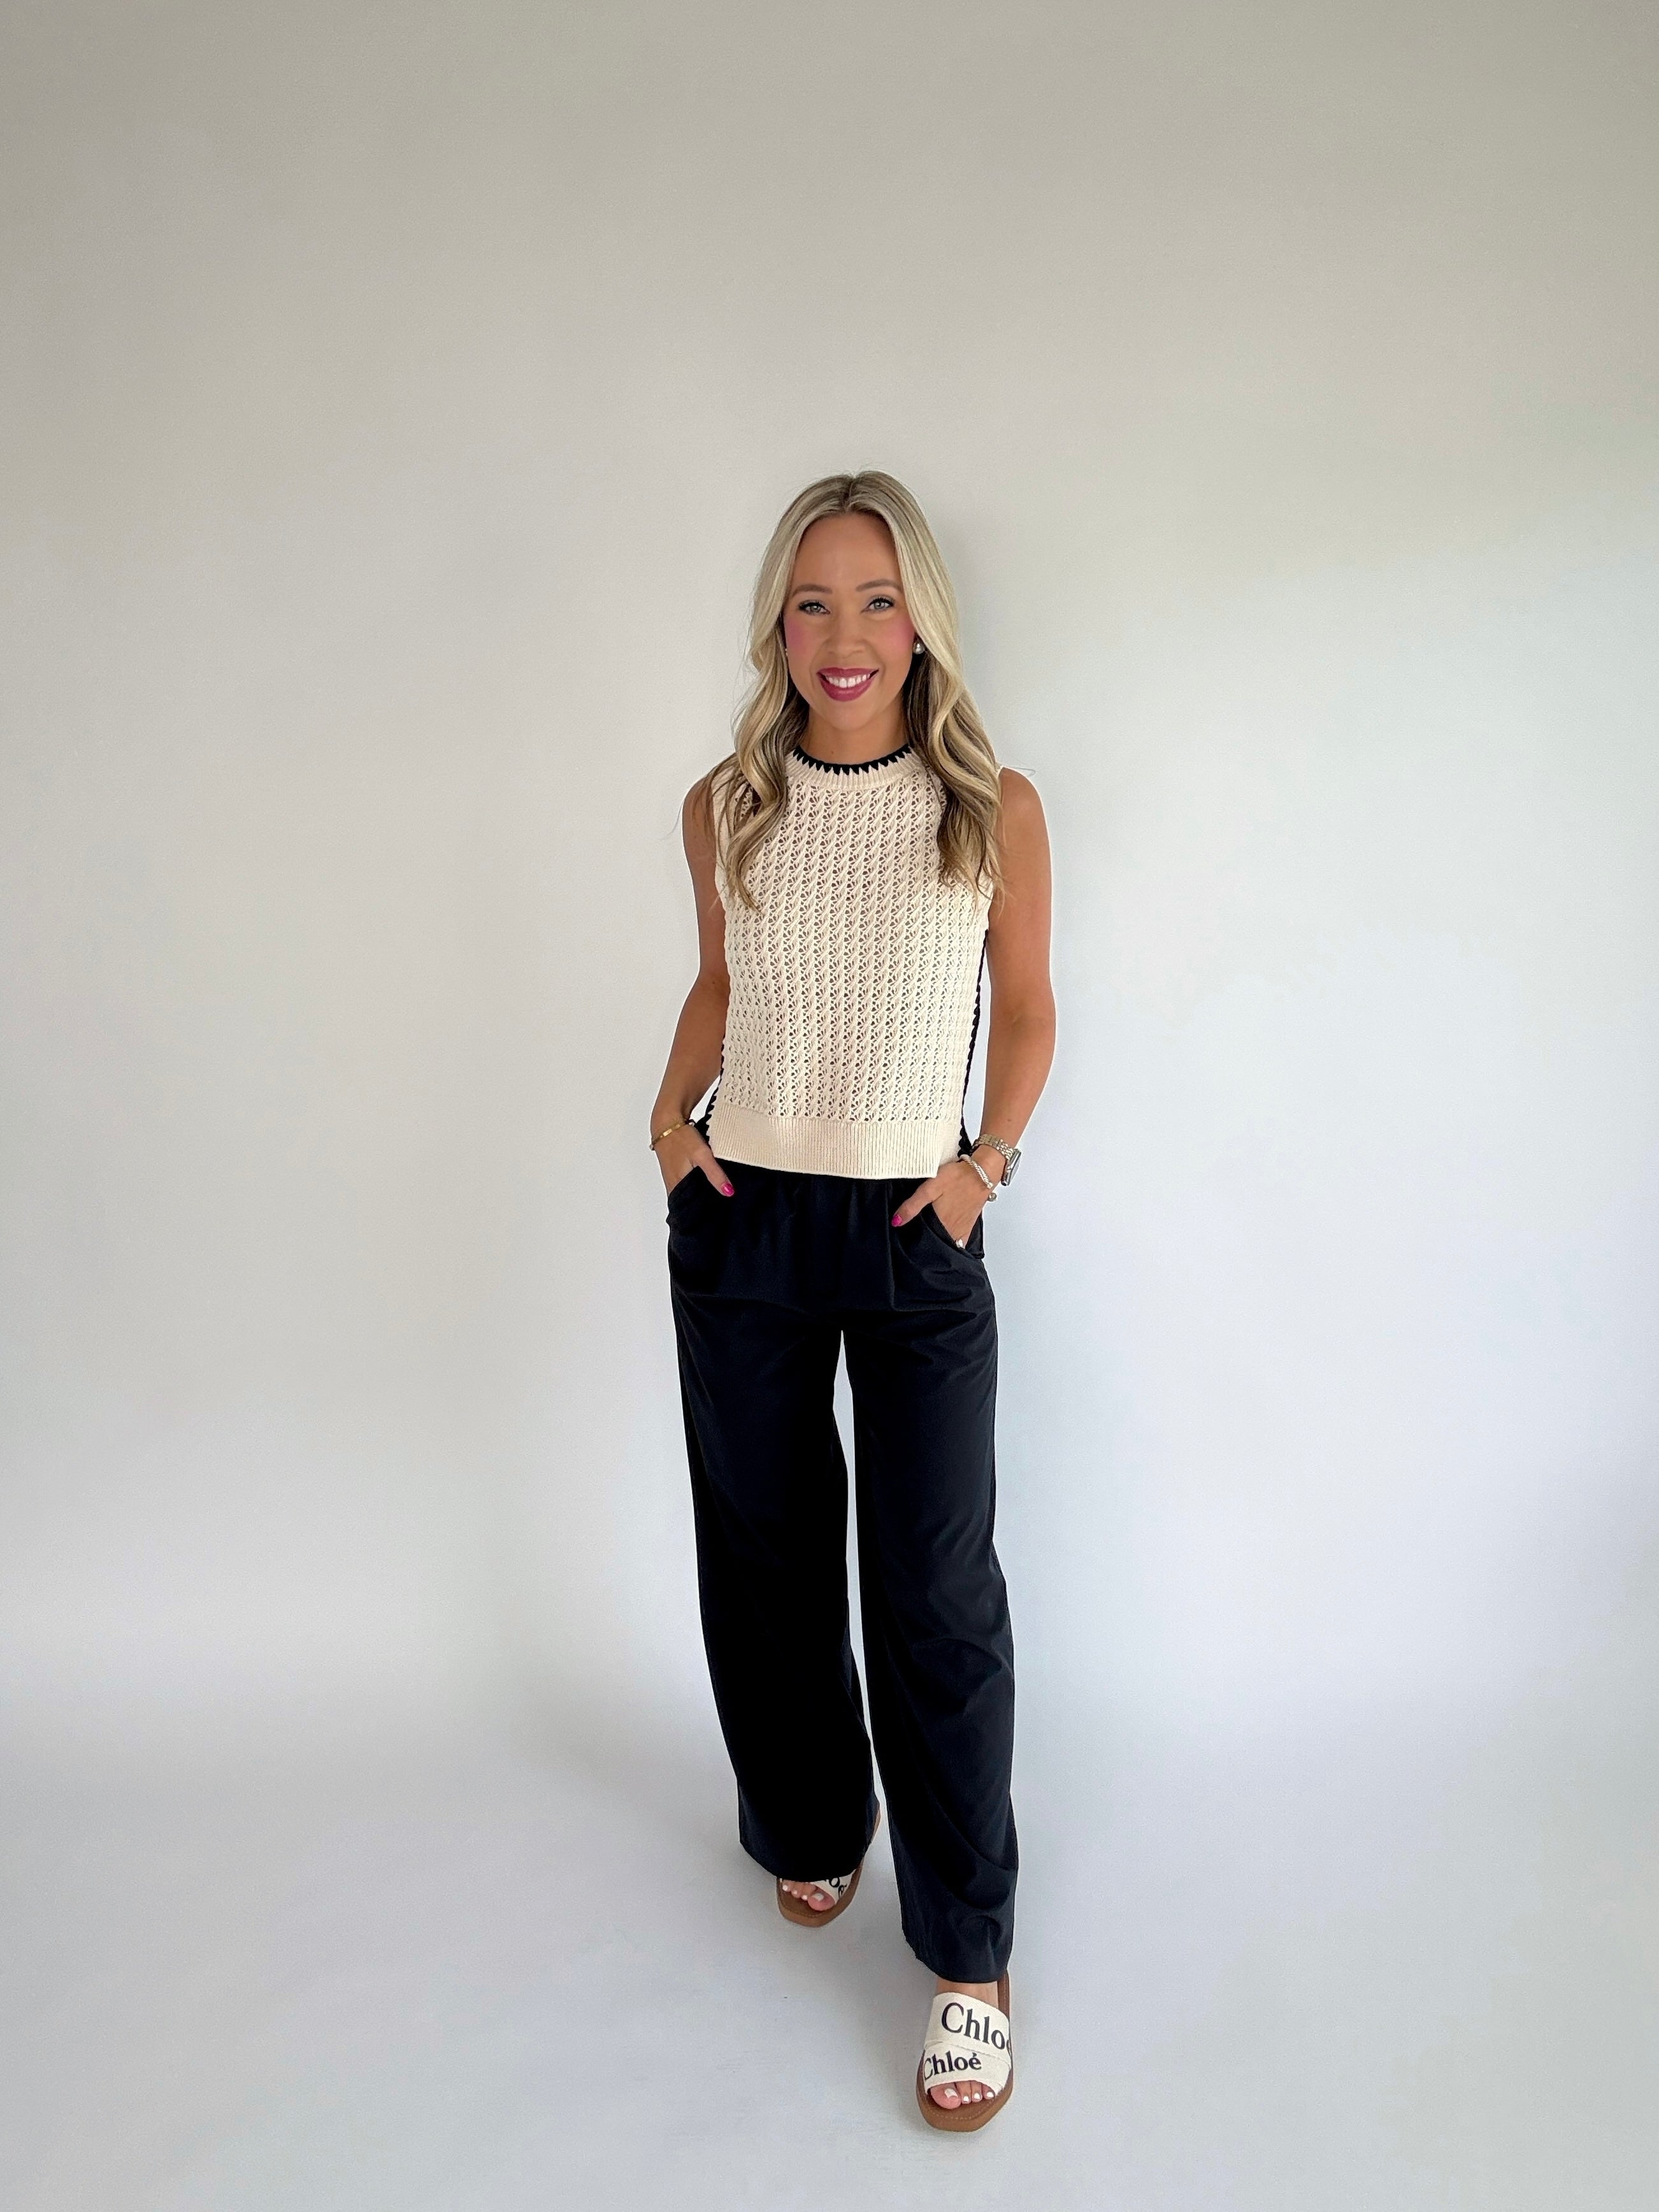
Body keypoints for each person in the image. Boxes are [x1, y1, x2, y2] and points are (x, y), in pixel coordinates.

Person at [648, 470, 1055, 2129]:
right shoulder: (726, 803)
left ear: (921, 621)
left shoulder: (990, 806)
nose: (844, 634)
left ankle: (967, 1958)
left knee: (933, 1586)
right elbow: (718, 982)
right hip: (745, 1213)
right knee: (764, 1559)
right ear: (778, 622)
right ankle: (814, 1824)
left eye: (877, 600)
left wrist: (982, 1169)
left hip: (912, 1226)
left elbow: (1028, 1009)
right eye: (812, 601)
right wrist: (666, 1122)